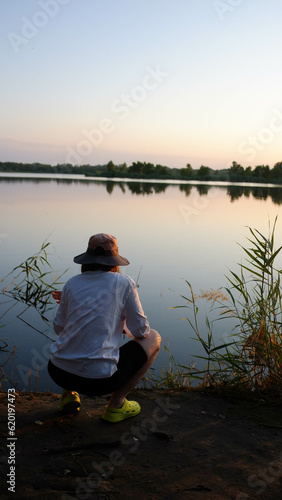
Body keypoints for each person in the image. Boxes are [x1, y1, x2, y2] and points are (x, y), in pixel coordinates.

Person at [48, 233, 161, 423]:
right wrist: (119, 317)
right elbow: (142, 331)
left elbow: (59, 329)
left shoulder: (72, 283)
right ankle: (116, 405)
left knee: (71, 337)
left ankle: (69, 396)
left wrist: (77, 305)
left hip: (58, 372)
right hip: (98, 383)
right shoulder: (124, 283)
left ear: (87, 258)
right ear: (114, 260)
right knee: (154, 338)